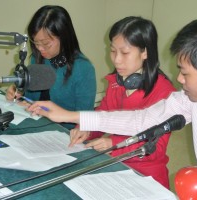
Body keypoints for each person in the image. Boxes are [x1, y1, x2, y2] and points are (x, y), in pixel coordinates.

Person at [28, 17, 197, 199]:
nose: (179, 79)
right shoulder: (195, 100)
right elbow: (142, 120)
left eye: (185, 73)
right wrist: (70, 116)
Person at [69, 16, 176, 189]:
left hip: (146, 176)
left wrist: (114, 144)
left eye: (125, 53)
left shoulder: (164, 93)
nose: (116, 59)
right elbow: (104, 113)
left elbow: (155, 147)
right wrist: (87, 128)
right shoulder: (116, 82)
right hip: (114, 166)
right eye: (113, 51)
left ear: (145, 52)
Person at [6, 5, 96, 129]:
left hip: (63, 132)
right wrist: (18, 92)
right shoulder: (37, 57)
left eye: (46, 43)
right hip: (34, 122)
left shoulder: (83, 69)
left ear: (64, 37)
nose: (40, 48)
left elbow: (86, 119)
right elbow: (29, 98)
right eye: (36, 43)